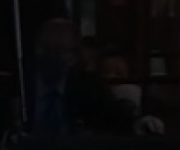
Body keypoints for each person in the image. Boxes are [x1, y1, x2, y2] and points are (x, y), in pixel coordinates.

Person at [24, 19, 164, 139]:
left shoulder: (88, 86)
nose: (47, 55)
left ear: (73, 57)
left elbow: (114, 118)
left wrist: (139, 123)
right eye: (43, 47)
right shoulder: (18, 85)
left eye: (58, 49)